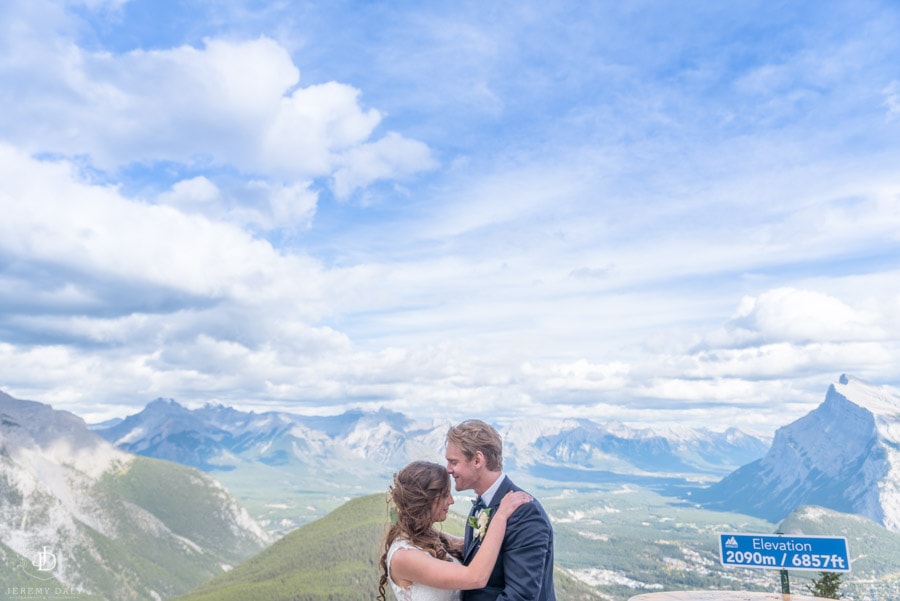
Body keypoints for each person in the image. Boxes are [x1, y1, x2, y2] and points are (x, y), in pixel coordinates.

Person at [378, 460, 533, 601]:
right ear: (425, 500)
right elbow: (476, 577)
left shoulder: (428, 537)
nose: (451, 500)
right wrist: (500, 516)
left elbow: (474, 548)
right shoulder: (404, 557)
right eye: (445, 494)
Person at [446, 419, 556, 601]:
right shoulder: (483, 504)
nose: (448, 469)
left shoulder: (525, 512)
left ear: (477, 460)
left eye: (453, 462)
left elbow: (520, 596)